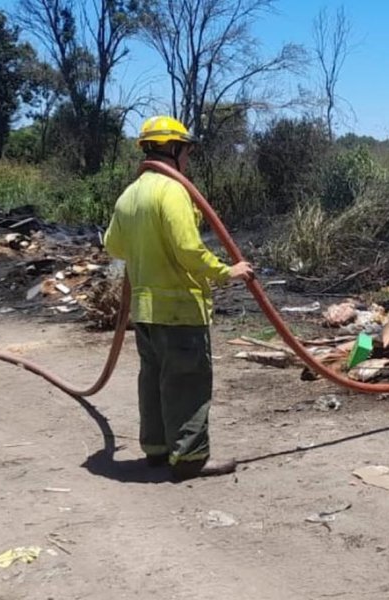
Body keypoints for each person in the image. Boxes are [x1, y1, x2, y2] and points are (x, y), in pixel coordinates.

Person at [103, 115, 254, 480]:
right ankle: (188, 457)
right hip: (180, 310)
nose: (187, 158)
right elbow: (188, 248)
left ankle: (156, 450)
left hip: (146, 312)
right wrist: (225, 272)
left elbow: (113, 245)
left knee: (153, 380)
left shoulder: (131, 193)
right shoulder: (173, 191)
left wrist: (146, 247)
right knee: (187, 382)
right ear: (173, 148)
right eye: (186, 150)